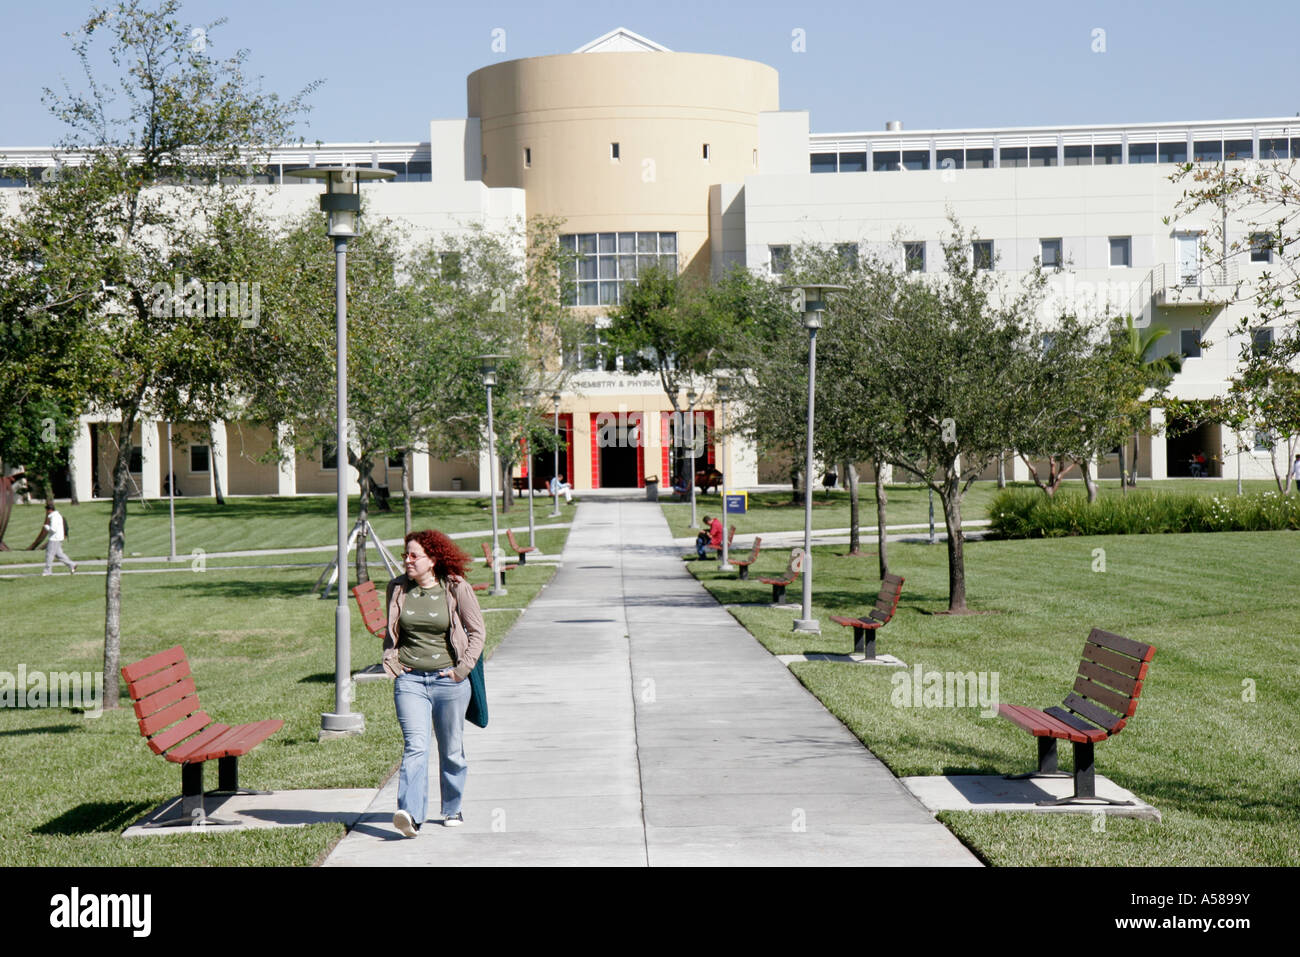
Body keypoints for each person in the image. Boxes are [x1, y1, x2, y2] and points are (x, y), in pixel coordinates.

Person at [384, 529, 486, 836]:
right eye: (405, 555)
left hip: (449, 682)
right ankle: (410, 816)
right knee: (415, 747)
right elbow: (390, 632)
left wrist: (461, 670)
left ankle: (452, 807)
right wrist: (391, 660)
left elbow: (477, 632)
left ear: (433, 560)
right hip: (411, 681)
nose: (407, 560)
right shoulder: (398, 588)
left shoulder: (456, 588)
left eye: (415, 555)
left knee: (451, 749)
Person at [37, 503, 76, 576]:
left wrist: (46, 527)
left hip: (54, 538)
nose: (46, 512)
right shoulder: (58, 515)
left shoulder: (54, 517)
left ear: (49, 510)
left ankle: (47, 571)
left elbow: (53, 529)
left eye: (46, 510)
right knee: (59, 554)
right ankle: (72, 564)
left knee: (49, 554)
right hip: (58, 538)